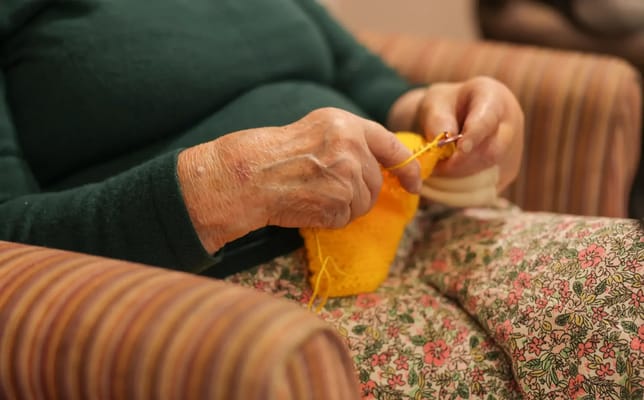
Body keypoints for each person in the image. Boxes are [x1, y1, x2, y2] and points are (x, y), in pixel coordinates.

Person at [0, 0, 523, 276]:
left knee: (606, 283)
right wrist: (226, 186)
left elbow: (371, 83)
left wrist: (445, 112)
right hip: (245, 304)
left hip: (412, 231)